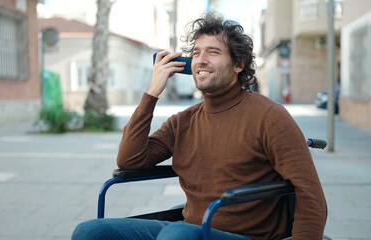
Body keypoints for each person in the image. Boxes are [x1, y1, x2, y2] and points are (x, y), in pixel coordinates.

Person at [72, 11, 327, 240]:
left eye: (213, 52)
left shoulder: (270, 116)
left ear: (239, 63)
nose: (200, 60)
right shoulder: (183, 121)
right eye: (195, 53)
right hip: (188, 230)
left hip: (244, 236)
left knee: (176, 234)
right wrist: (152, 93)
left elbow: (311, 195)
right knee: (90, 232)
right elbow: (129, 160)